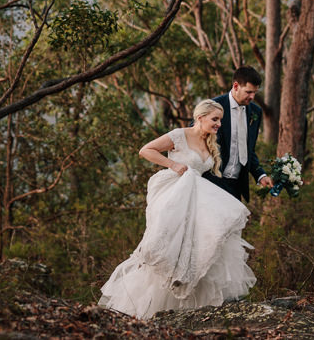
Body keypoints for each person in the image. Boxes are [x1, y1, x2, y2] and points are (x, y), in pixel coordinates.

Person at [98, 100, 257, 319]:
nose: (219, 124)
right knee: (168, 247)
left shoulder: (210, 142)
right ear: (200, 117)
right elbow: (146, 150)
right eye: (215, 119)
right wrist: (173, 165)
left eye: (220, 119)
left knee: (201, 247)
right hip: (175, 195)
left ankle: (191, 311)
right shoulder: (179, 135)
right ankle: (146, 308)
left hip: (197, 198)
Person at [204, 66, 273, 202]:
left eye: (255, 92)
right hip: (211, 182)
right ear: (236, 86)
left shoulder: (255, 112)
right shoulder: (213, 106)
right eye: (248, 92)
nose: (252, 97)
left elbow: (249, 150)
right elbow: (194, 136)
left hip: (236, 185)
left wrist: (260, 175)